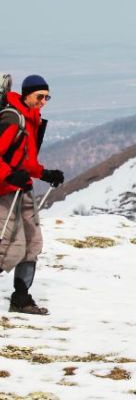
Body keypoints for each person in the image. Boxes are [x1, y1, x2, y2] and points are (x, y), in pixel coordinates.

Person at [0, 74, 64, 315]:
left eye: (47, 97)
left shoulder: (31, 120)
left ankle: (21, 298)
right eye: (40, 96)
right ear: (27, 95)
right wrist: (7, 175)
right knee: (8, 246)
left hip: (22, 188)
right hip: (5, 191)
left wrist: (45, 173)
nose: (44, 101)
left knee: (32, 243)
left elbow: (25, 161)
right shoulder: (12, 119)